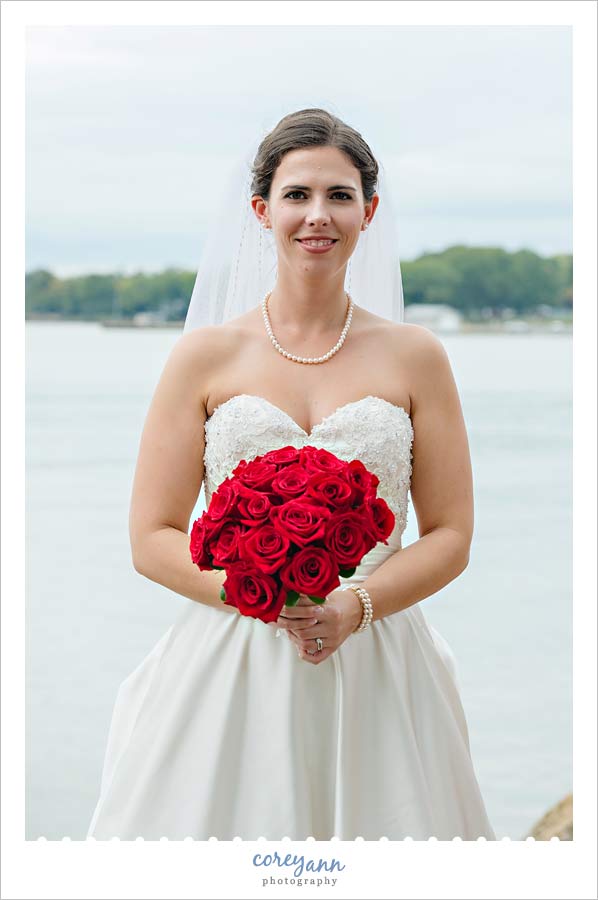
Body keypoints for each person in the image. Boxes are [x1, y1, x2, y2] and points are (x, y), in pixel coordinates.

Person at [87, 108, 496, 840]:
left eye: (340, 196)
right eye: (297, 194)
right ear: (261, 210)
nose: (318, 216)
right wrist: (259, 594)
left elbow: (451, 533)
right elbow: (151, 536)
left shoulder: (417, 356)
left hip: (380, 653)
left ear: (369, 213)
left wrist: (352, 608)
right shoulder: (203, 357)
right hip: (233, 648)